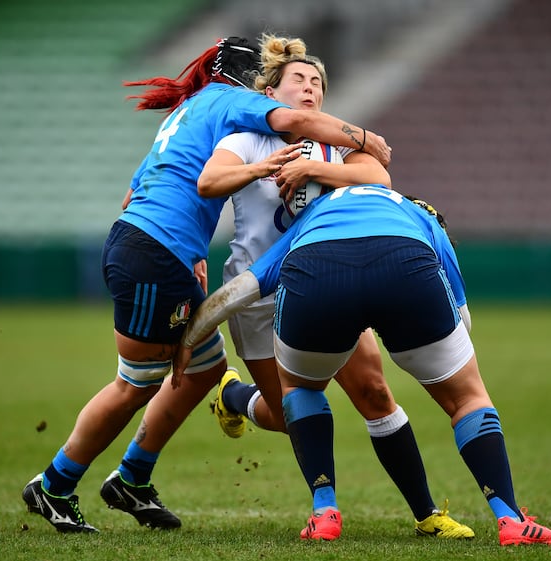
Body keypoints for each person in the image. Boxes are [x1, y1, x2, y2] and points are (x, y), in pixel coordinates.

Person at [21, 36, 391, 534]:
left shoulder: (191, 111)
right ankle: (54, 485)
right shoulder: (230, 98)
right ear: (249, 77)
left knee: (201, 370)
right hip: (154, 252)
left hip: (155, 248)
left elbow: (137, 189)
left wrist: (189, 251)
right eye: (267, 75)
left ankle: (131, 478)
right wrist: (364, 138)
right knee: (135, 384)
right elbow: (296, 122)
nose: (272, 86)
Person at [190, 33, 473, 539]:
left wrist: (313, 166)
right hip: (256, 293)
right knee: (284, 413)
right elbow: (210, 180)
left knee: (374, 392)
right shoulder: (243, 137)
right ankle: (233, 398)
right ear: (270, 91)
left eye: (318, 83)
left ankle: (424, 513)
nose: (311, 89)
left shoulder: (326, 144)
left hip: (323, 282)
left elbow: (378, 174)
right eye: (299, 79)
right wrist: (269, 166)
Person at [173, 185, 551, 546]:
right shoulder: (421, 214)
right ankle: (510, 519)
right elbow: (462, 317)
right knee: (467, 397)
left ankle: (324, 511)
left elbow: (251, 283)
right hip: (406, 267)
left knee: (301, 389)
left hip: (317, 274)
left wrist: (191, 337)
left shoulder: (314, 214)